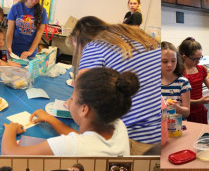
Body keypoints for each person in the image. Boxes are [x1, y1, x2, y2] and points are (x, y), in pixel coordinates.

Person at [68, 16, 160, 154]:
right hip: (163, 131)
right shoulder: (134, 35)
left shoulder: (94, 46)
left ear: (80, 41)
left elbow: (81, 90)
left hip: (136, 137)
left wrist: (71, 102)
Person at [1, 67, 139, 156]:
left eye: (72, 98)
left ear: (84, 109)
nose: (68, 102)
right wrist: (49, 118)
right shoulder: (118, 125)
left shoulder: (72, 146)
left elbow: (11, 152)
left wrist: (10, 129)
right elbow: (83, 139)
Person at [161, 41, 191, 117]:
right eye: (165, 61)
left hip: (177, 126)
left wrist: (175, 107)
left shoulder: (183, 82)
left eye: (173, 61)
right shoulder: (153, 82)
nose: (169, 65)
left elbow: (187, 112)